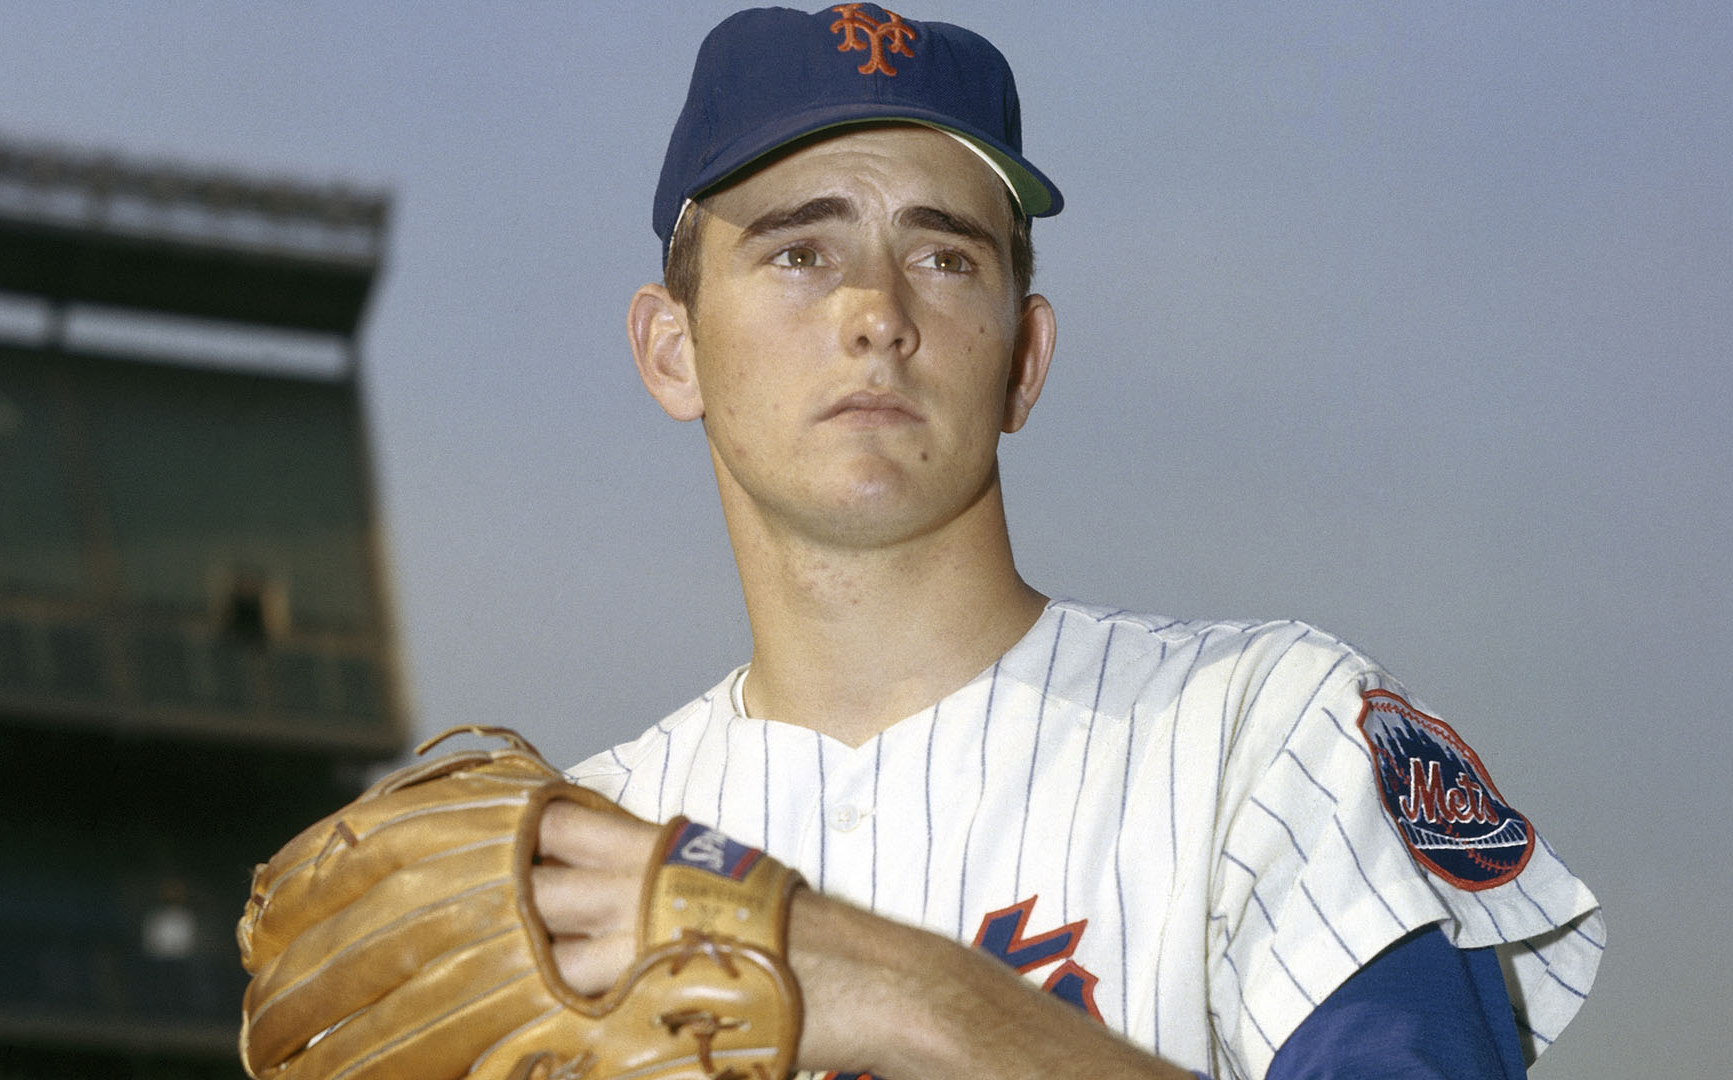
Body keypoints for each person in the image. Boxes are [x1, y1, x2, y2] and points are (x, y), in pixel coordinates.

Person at [538, 7, 1604, 1078]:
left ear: (1025, 359)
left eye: (944, 258)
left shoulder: (1268, 736)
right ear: (671, 350)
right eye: (802, 252)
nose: (875, 309)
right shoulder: (567, 855)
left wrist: (925, 1000)